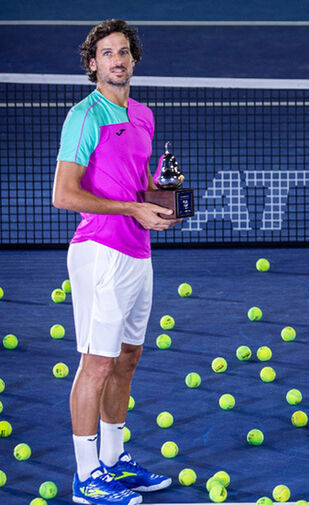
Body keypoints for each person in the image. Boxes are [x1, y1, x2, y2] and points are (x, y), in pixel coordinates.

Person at [53, 19, 178, 505]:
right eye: (107, 53)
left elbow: (136, 184)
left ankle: (113, 461)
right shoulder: (85, 117)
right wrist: (131, 209)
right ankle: (87, 478)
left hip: (137, 253)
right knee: (97, 363)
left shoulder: (144, 116)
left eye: (123, 51)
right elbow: (64, 194)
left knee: (127, 359)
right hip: (100, 251)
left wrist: (161, 201)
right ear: (93, 64)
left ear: (134, 58)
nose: (117, 60)